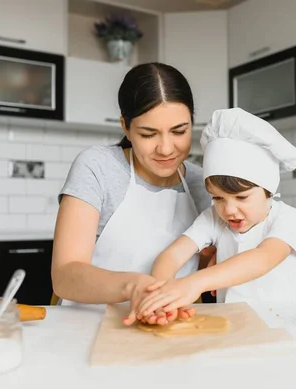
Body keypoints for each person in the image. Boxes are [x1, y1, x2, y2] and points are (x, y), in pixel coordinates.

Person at [51, 62, 214, 325]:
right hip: (85, 329)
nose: (166, 148)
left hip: (169, 331)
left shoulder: (202, 182)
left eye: (179, 131)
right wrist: (134, 287)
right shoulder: (98, 167)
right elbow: (65, 275)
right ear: (125, 127)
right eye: (149, 134)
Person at [125, 107, 296, 324]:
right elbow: (172, 256)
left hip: (288, 326)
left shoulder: (290, 218)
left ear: (268, 190)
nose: (229, 210)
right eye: (218, 198)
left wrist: (193, 283)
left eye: (241, 197)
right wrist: (160, 297)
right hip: (233, 328)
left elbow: (262, 259)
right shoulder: (213, 217)